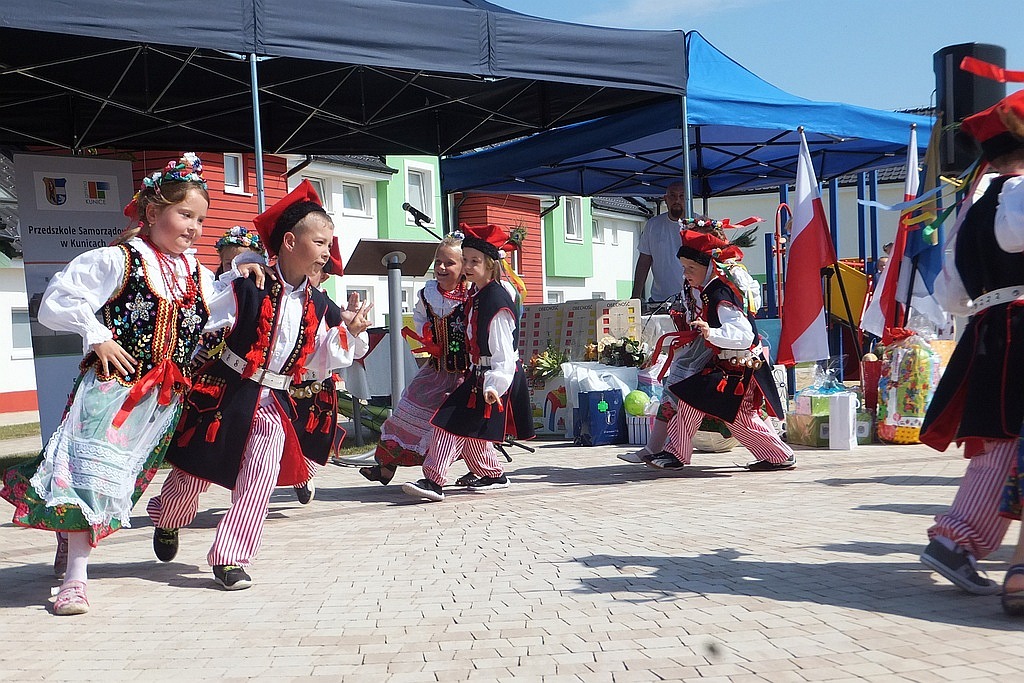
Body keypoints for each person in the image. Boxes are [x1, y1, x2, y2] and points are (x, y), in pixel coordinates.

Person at [0, 153, 257, 615]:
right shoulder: (118, 260)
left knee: (117, 483)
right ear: (154, 212)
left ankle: (68, 535)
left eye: (201, 219)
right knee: (90, 475)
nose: (195, 227)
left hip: (162, 400)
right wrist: (97, 335)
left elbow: (223, 313)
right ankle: (76, 578)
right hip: (112, 391)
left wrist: (246, 272)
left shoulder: (197, 276)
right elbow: (56, 302)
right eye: (185, 215)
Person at [146, 180, 371, 591]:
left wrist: (349, 334)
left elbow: (320, 358)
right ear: (289, 241)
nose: (327, 252)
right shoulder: (248, 284)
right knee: (195, 471)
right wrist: (240, 264)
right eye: (320, 242)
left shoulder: (321, 305)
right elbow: (199, 315)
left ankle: (231, 556)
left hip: (274, 400)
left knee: (260, 478)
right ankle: (167, 516)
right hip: (228, 392)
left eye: (329, 243)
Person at [919, 89, 1024, 598]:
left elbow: (952, 297)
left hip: (988, 331)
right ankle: (961, 542)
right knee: (1004, 442)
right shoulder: (1019, 194)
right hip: (1019, 330)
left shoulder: (972, 209)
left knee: (1000, 444)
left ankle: (956, 540)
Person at [402, 224, 534, 502]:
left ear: (490, 264)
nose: (469, 266)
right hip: (479, 374)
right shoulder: (478, 295)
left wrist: (495, 385)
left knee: (447, 423)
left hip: (492, 378)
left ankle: (433, 480)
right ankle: (492, 474)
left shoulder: (495, 299)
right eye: (467, 260)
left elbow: (504, 352)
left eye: (475, 261)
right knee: (470, 432)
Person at [658, 229, 793, 472]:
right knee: (721, 412)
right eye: (684, 267)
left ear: (707, 265)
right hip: (731, 365)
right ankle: (778, 455)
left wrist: (711, 333)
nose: (686, 274)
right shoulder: (710, 290)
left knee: (710, 407)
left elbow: (744, 335)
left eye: (691, 268)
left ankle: (675, 454)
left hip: (739, 366)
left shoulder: (719, 293)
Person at [360, 234, 471, 486]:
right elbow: (420, 318)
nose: (441, 268)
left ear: (464, 266)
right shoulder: (428, 294)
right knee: (404, 411)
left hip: (463, 373)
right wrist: (428, 336)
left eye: (449, 263)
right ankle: (385, 466)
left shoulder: (470, 296)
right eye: (438, 262)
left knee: (451, 427)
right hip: (435, 371)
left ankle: (479, 469)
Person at [631, 182, 687, 307]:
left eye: (682, 196)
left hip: (691, 301)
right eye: (672, 196)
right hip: (659, 301)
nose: (677, 200)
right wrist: (635, 297)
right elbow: (644, 261)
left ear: (688, 199)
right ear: (665, 199)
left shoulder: (699, 225)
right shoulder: (653, 225)